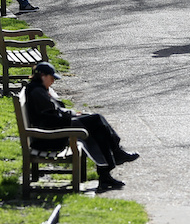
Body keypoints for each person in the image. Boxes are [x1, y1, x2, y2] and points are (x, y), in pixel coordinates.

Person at [24, 62, 139, 192]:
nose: (53, 82)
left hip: (55, 128)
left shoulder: (37, 88)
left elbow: (52, 114)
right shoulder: (37, 91)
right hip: (50, 137)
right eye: (52, 78)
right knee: (95, 122)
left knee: (96, 120)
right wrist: (72, 114)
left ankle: (111, 161)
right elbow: (52, 116)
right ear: (43, 76)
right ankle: (111, 162)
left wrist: (74, 115)